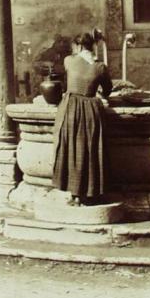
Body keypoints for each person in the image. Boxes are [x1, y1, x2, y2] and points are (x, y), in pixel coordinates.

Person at [52, 31, 113, 205]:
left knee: (72, 148)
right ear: (93, 46)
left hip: (71, 107)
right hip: (91, 109)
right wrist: (98, 91)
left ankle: (75, 194)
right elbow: (108, 89)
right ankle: (92, 192)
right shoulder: (100, 66)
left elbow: (69, 74)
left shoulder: (69, 61)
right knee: (91, 149)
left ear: (77, 46)